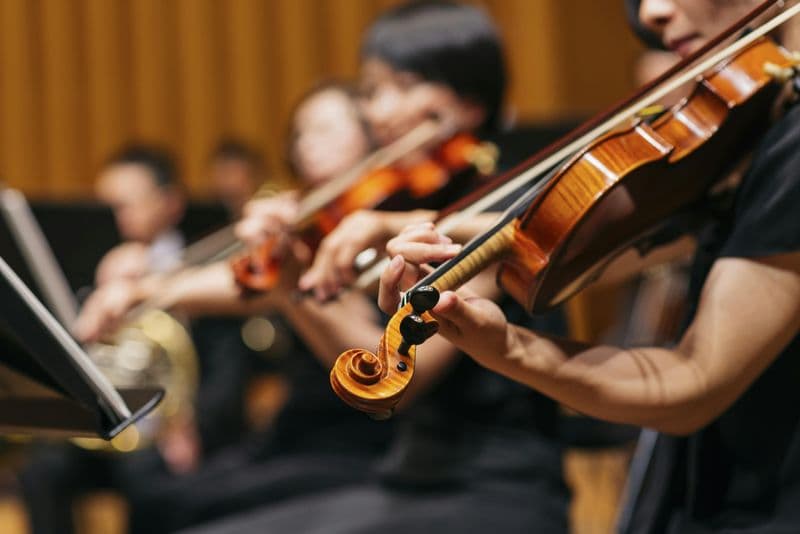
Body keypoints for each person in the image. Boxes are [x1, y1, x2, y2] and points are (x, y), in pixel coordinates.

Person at [76, 3, 572, 533]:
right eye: (372, 91)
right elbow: (253, 286)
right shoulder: (391, 206)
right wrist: (146, 290)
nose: (379, 113)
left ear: (469, 103)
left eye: (400, 88)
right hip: (411, 477)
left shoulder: (493, 219)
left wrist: (294, 282)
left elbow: (394, 378)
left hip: (491, 489)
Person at [376, 1, 800, 532]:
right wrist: (438, 230)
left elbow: (692, 381)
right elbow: (633, 243)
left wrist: (509, 347)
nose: (652, 12)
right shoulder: (766, 113)